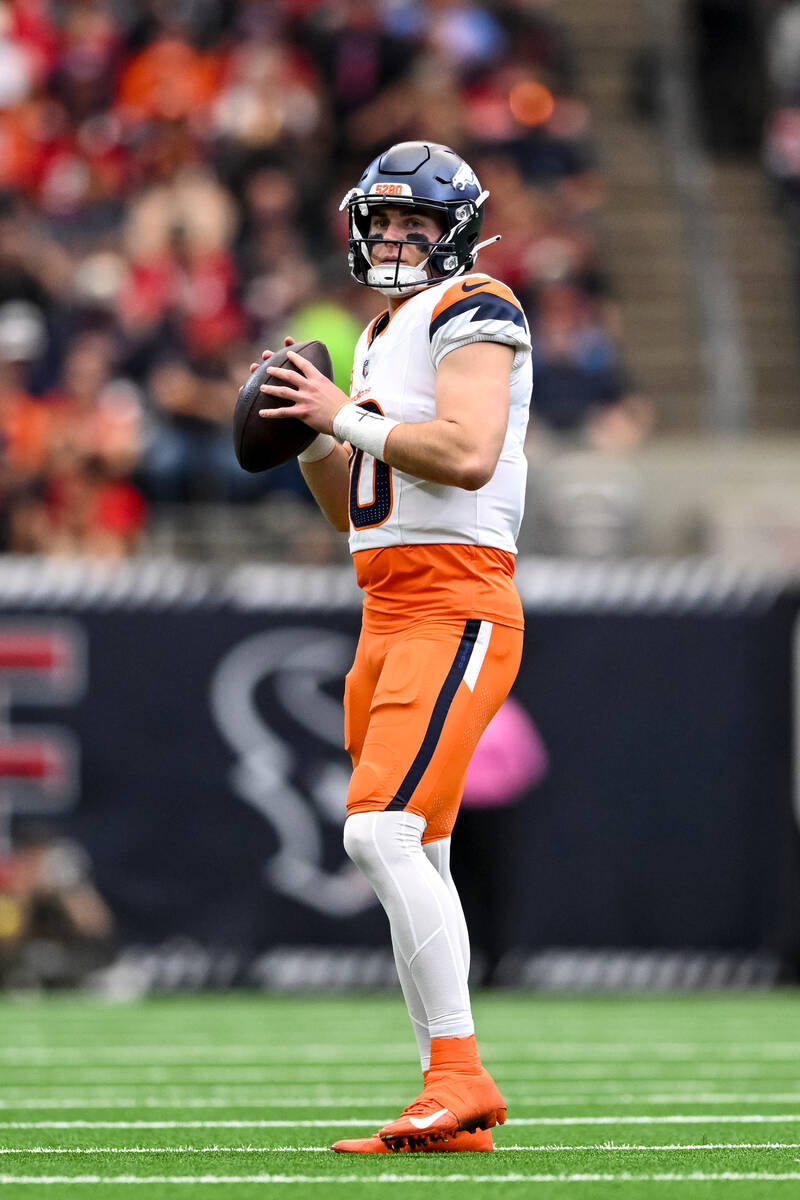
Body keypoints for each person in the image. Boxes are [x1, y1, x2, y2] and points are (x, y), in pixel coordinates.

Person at [253, 141, 532, 1154]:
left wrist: (344, 418)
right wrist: (312, 434)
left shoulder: (476, 305)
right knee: (423, 849)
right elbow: (349, 512)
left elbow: (462, 455)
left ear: (454, 230)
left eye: (416, 223)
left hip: (454, 600)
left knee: (378, 834)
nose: (395, 239)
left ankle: (459, 1076)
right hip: (384, 604)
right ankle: (444, 1098)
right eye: (383, 222)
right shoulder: (378, 336)